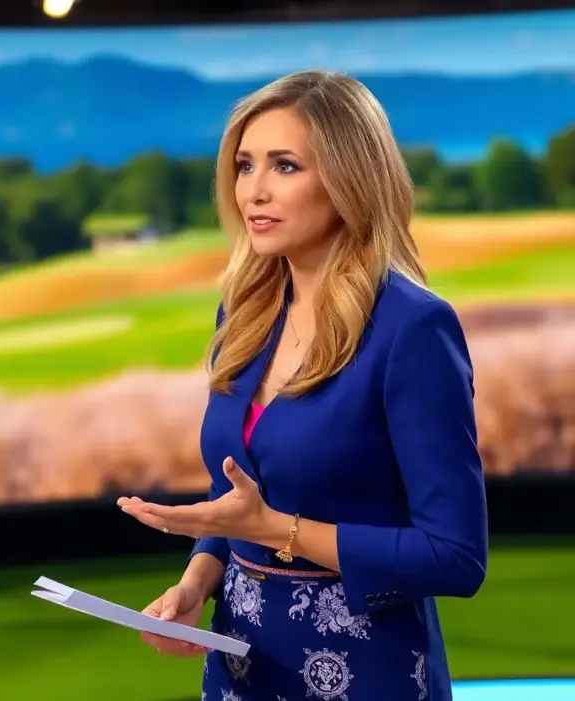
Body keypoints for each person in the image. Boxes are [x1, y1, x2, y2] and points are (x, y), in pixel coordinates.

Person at [117, 70, 488, 701]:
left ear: (349, 179)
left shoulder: (413, 328)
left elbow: (455, 555)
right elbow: (237, 494)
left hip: (368, 670)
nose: (253, 192)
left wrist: (274, 529)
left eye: (285, 166)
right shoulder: (244, 314)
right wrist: (196, 583)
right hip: (242, 667)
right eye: (244, 166)